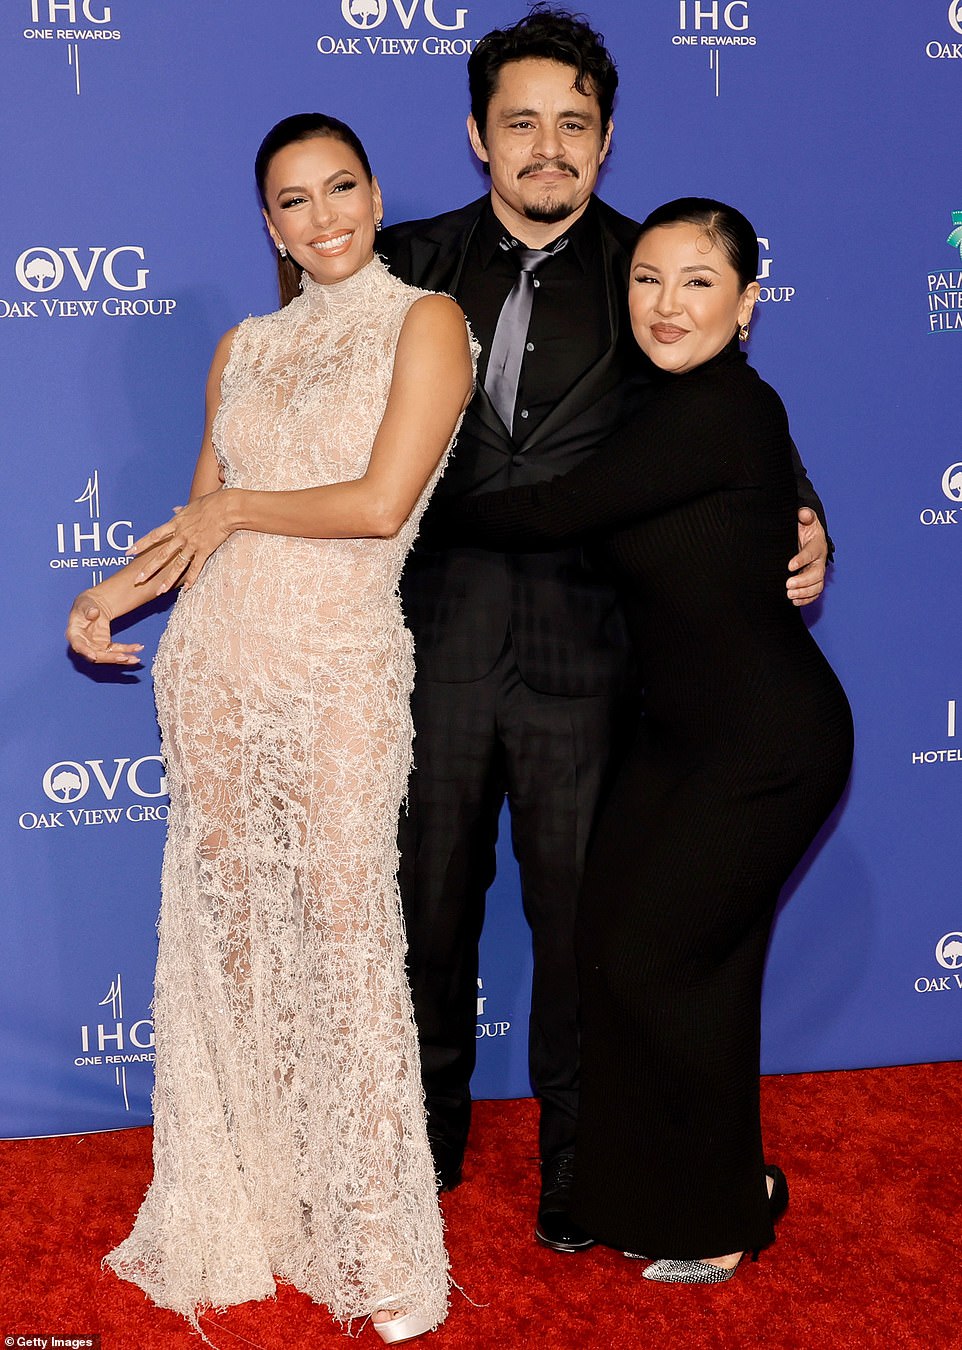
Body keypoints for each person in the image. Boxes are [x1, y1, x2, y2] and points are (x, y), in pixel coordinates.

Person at [379, 5, 830, 1253]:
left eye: (572, 125)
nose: (546, 147)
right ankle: (418, 1158)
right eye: (520, 122)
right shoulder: (398, 262)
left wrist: (812, 523)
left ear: (606, 139)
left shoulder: (660, 272)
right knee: (421, 918)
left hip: (596, 670)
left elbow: (749, 442)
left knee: (589, 939)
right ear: (477, 134)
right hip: (435, 651)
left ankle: (585, 1181)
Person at [65, 113, 475, 1344]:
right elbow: (204, 519)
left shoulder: (426, 321)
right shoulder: (241, 346)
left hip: (336, 662)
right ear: (268, 224)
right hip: (218, 669)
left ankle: (374, 1243)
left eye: (339, 188)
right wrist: (114, 591)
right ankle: (256, 1207)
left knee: (347, 939)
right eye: (291, 202)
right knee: (235, 942)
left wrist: (236, 502)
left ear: (375, 188)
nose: (322, 217)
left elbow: (378, 502)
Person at [434, 197, 855, 1281]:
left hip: (763, 745)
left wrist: (395, 504)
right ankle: (671, 1189)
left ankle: (719, 1211)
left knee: (654, 963)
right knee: (633, 955)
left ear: (746, 305)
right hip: (671, 740)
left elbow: (546, 512)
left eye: (698, 282)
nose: (666, 305)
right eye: (648, 280)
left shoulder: (719, 410)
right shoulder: (661, 405)